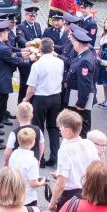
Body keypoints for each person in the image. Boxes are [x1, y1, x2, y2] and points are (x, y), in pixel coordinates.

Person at [0, 20, 31, 149]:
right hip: (0, 87)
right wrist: (29, 58)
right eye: (7, 33)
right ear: (3, 34)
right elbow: (15, 61)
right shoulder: (3, 49)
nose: (8, 35)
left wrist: (21, 53)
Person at [23, 37, 63, 167]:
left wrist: (25, 100)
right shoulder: (60, 62)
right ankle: (55, 157)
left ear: (40, 49)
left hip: (41, 98)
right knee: (54, 128)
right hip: (56, 97)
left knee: (38, 128)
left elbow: (31, 88)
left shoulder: (37, 65)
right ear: (53, 48)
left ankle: (40, 159)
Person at [65, 27, 98, 137]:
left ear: (78, 43)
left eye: (73, 42)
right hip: (75, 96)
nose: (72, 44)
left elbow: (85, 85)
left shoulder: (84, 60)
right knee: (77, 126)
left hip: (79, 100)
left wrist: (81, 103)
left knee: (81, 127)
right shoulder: (84, 55)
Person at [8, 127, 45, 206]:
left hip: (13, 194)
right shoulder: (32, 161)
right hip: (27, 197)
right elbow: (33, 183)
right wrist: (42, 182)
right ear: (33, 142)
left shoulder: (14, 154)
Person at [3, 102, 44, 167]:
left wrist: (6, 162)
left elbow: (8, 151)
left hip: (17, 163)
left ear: (17, 116)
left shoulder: (14, 133)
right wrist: (39, 159)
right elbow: (41, 146)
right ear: (32, 115)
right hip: (33, 161)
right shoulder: (38, 130)